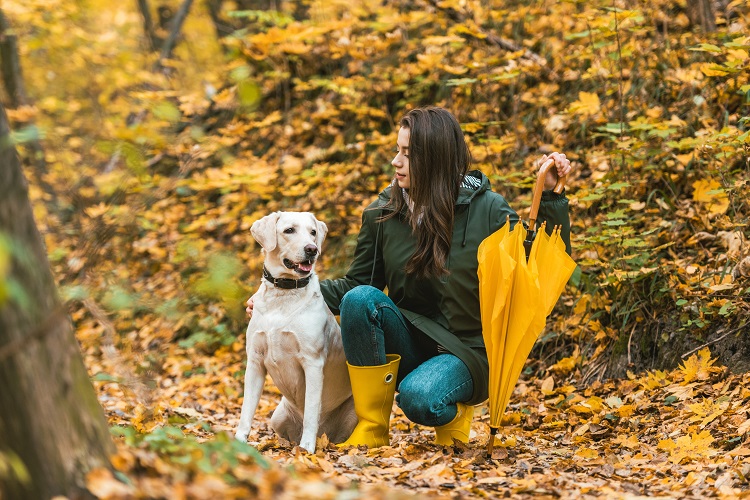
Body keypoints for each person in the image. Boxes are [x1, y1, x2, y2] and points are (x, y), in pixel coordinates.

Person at [246, 106, 572, 447]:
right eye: (397, 151)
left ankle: (455, 411)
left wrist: (550, 196)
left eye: (406, 154)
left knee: (421, 400)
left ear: (435, 159)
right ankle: (372, 426)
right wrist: (283, 291)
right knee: (360, 301)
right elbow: (357, 285)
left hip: (467, 351)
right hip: (411, 339)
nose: (395, 162)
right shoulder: (383, 212)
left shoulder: (487, 209)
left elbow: (539, 264)